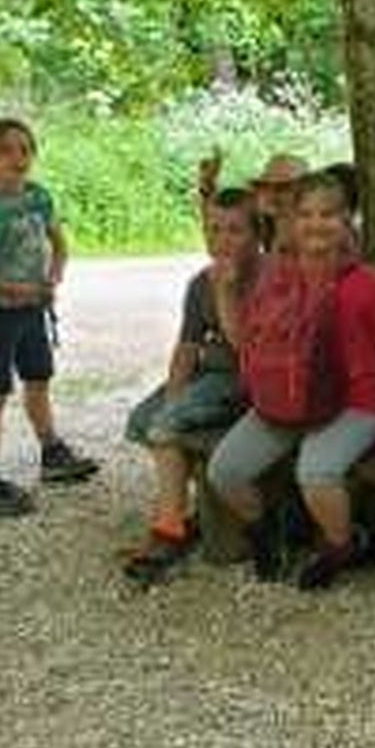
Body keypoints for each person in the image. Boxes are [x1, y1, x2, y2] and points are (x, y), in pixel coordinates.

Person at [207, 170, 375, 588]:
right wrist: (225, 292)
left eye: (328, 214)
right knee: (225, 472)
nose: (316, 224)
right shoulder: (277, 276)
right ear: (292, 220)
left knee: (316, 473)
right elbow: (243, 339)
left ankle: (342, 544)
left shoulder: (366, 282)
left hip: (354, 403)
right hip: (286, 399)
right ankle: (266, 530)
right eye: (306, 214)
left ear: (347, 219)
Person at [122, 188, 260, 585]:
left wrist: (226, 291)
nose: (222, 240)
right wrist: (173, 395)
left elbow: (244, 347)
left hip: (243, 378)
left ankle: (170, 527)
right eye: (214, 229)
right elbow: (186, 347)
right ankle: (183, 507)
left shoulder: (264, 278)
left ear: (256, 235)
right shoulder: (200, 283)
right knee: (143, 421)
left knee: (165, 429)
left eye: (235, 230)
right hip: (207, 374)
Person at [0, 117, 97, 516]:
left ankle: (52, 453)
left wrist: (54, 275)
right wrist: (6, 286)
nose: (16, 158)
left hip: (32, 309)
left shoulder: (38, 197)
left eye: (24, 149)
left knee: (38, 379)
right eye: (5, 150)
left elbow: (59, 243)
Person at [198, 148, 308, 253]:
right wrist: (207, 189)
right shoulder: (265, 221)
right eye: (267, 187)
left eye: (282, 188)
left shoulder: (310, 229)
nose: (272, 195)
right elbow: (219, 238)